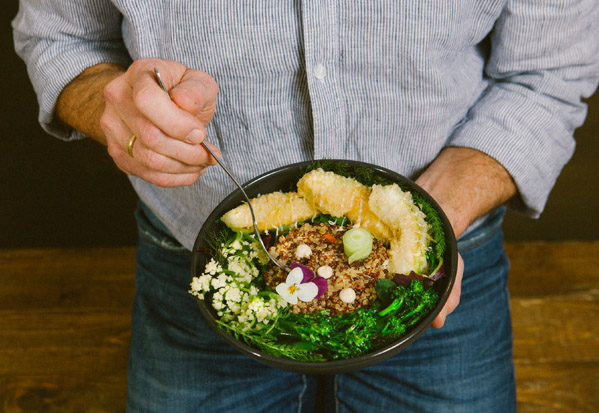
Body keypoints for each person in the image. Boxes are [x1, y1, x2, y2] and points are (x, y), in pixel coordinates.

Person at [13, 2, 599, 412]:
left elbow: (545, 76)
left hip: (442, 276)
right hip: (196, 262)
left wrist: (430, 217)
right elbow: (60, 39)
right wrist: (110, 107)